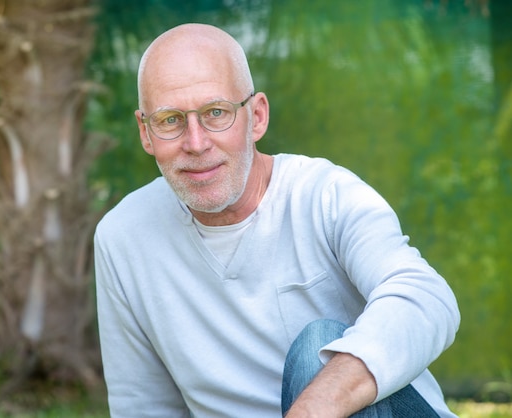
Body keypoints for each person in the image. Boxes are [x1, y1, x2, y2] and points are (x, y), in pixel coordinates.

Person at [94, 23, 460, 417]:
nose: (196, 143)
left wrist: (314, 408)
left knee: (316, 348)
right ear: (146, 133)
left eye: (216, 113)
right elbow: (144, 406)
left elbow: (426, 298)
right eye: (170, 120)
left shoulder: (324, 195)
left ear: (257, 116)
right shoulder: (123, 237)